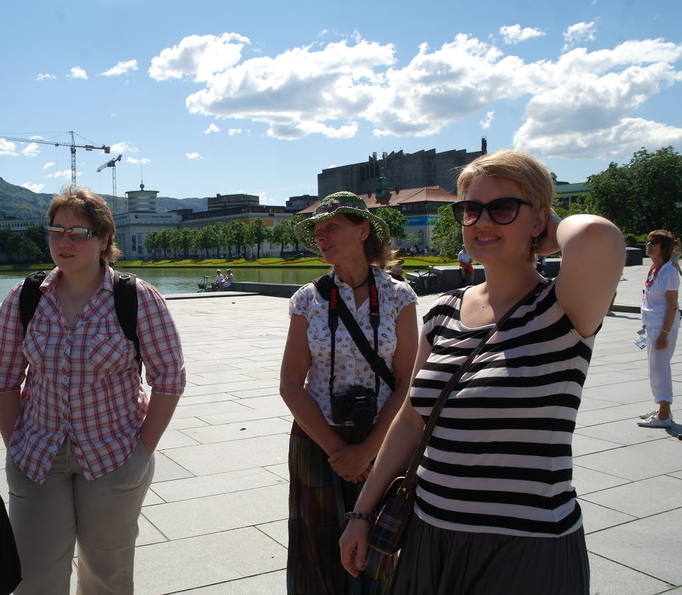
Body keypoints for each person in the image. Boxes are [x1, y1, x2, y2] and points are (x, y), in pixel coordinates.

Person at [340, 150, 625, 594]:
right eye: (471, 210)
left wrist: (542, 233)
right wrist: (362, 512)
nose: (481, 222)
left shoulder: (562, 307)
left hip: (523, 546)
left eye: (503, 208)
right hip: (429, 532)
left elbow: (595, 234)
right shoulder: (445, 311)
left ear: (540, 219)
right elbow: (410, 419)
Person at [0, 185, 186, 595]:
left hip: (114, 453)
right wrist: (14, 445)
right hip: (37, 455)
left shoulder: (136, 298)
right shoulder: (24, 298)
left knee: (106, 577)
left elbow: (169, 378)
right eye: (56, 231)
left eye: (79, 233)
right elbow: (2, 379)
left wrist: (142, 452)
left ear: (104, 239)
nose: (65, 242)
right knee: (34, 577)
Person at [281, 192, 418, 595]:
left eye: (331, 227)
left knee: (379, 548)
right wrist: (339, 451)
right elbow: (290, 384)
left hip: (384, 438)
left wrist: (369, 451)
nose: (321, 236)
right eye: (317, 231)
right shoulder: (307, 299)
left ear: (362, 231)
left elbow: (408, 382)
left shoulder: (399, 296)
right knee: (318, 547)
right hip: (318, 439)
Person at [637, 230, 679, 428]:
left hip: (663, 325)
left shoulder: (669, 272)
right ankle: (663, 409)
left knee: (660, 368)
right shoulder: (655, 269)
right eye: (648, 241)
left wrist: (664, 334)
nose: (649, 245)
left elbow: (672, 306)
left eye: (653, 242)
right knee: (655, 367)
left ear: (664, 248)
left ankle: (663, 415)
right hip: (653, 324)